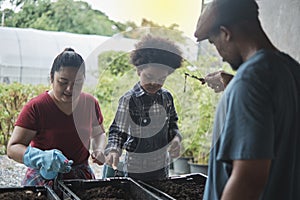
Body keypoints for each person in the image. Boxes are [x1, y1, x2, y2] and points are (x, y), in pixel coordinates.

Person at [194, 0, 300, 199]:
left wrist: (241, 85)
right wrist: (234, 85)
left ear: (226, 33)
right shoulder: (291, 70)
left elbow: (249, 180)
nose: (220, 54)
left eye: (213, 41)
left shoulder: (250, 81)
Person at [7, 48, 106, 186]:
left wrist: (99, 149)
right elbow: (13, 148)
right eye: (63, 82)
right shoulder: (37, 107)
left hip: (80, 177)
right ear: (51, 77)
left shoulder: (90, 104)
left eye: (77, 83)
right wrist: (40, 157)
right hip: (44, 176)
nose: (69, 89)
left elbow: (99, 133)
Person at [104, 35, 183, 181]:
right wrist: (114, 150)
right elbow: (117, 131)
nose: (154, 83)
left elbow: (172, 124)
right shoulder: (129, 100)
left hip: (161, 166)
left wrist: (176, 139)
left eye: (161, 79)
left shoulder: (166, 97)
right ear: (139, 71)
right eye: (149, 76)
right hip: (135, 167)